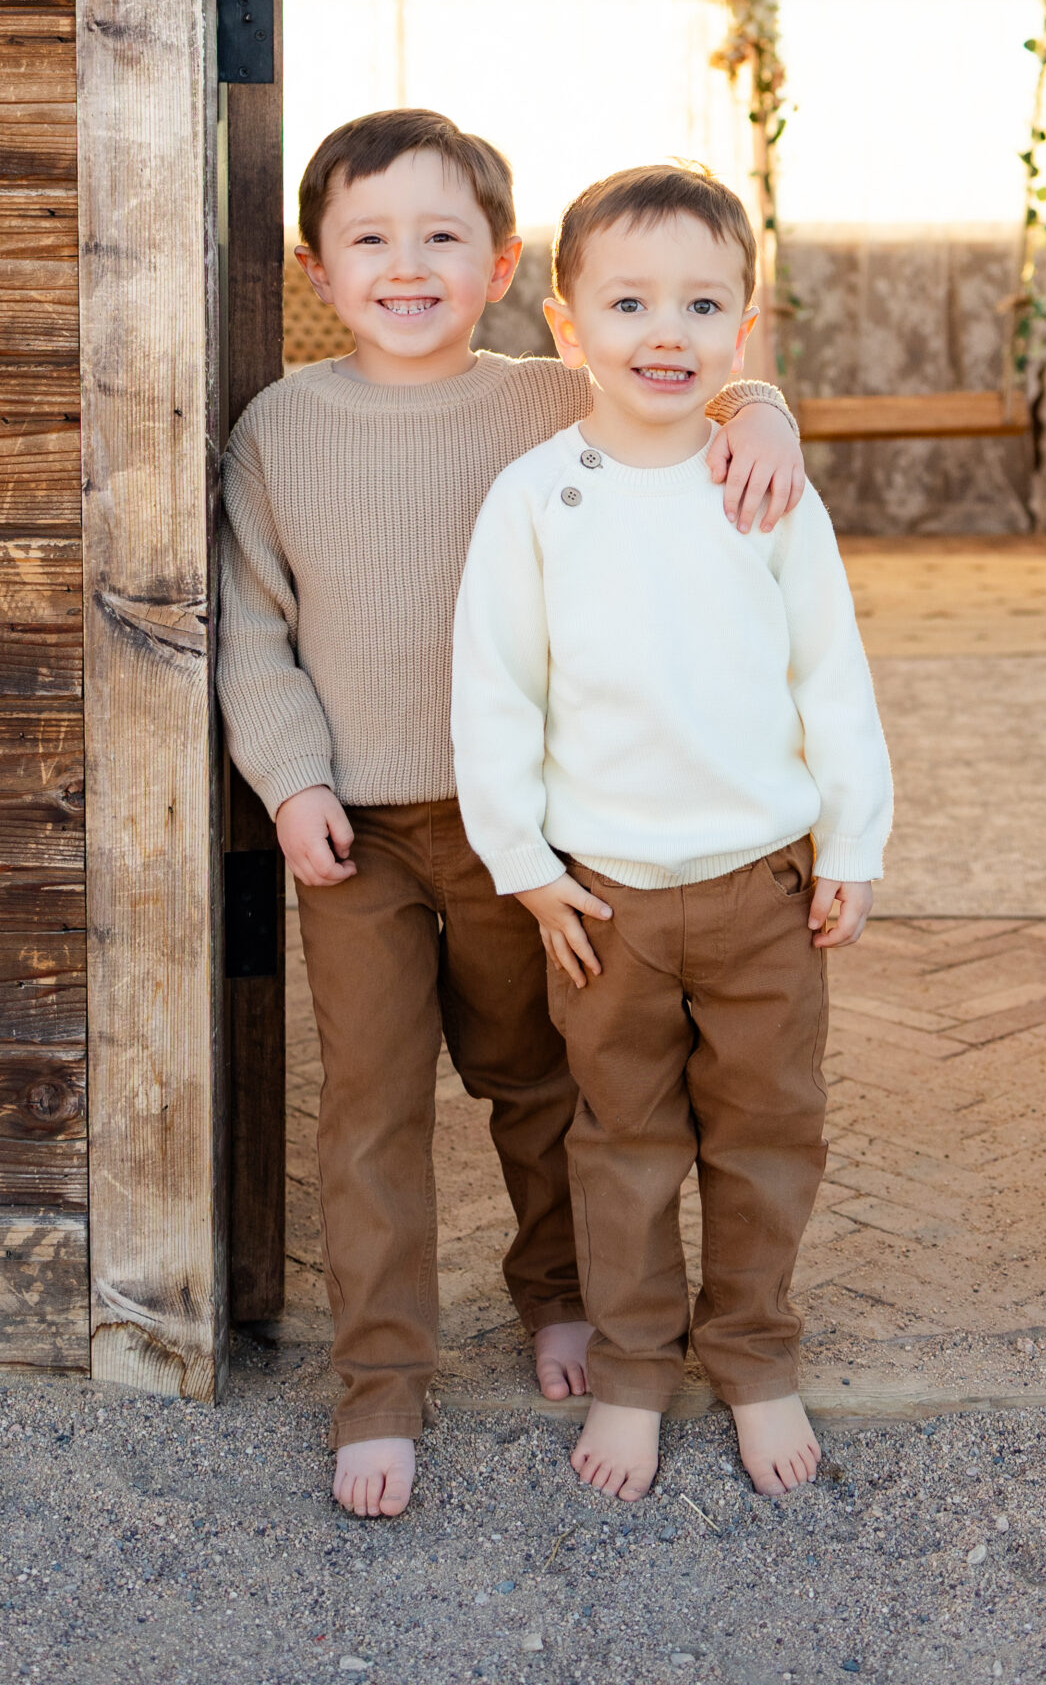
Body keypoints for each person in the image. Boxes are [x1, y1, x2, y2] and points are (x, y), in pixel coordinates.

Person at [218, 111, 806, 1521]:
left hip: (524, 830)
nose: (405, 266)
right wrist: (291, 782)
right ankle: (380, 1382)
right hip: (353, 834)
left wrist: (762, 407)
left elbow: (681, 384)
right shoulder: (279, 428)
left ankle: (558, 1295)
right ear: (317, 265)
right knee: (366, 1107)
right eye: (370, 239)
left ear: (498, 265)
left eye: (442, 238)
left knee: (539, 1077)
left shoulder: (543, 400)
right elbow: (252, 631)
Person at [451, 163, 892, 1505]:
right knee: (625, 1144)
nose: (667, 332)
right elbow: (495, 690)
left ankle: (755, 1354)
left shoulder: (762, 489)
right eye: (630, 302)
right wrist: (523, 869)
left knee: (767, 1136)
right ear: (564, 323)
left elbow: (832, 675)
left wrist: (853, 844)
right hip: (604, 903)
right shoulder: (535, 499)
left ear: (743, 329)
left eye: (703, 305)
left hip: (763, 888)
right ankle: (637, 1369)